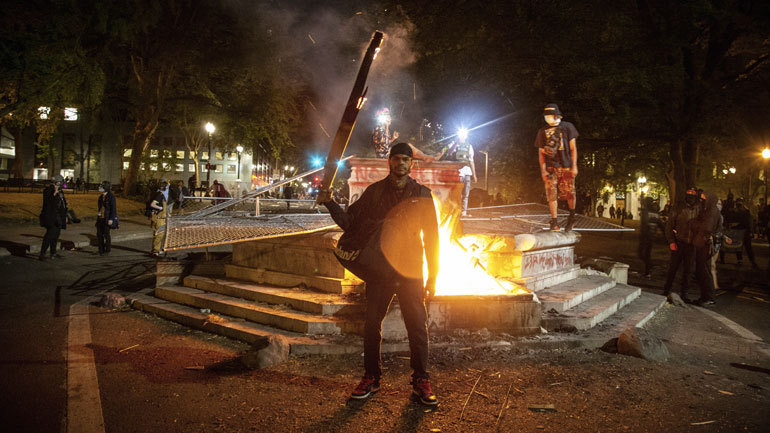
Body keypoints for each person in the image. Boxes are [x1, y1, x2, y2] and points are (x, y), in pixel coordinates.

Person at [317, 142, 440, 406]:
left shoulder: (422, 194)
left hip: (410, 271)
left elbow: (432, 238)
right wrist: (330, 204)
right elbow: (351, 224)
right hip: (380, 270)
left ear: (411, 164)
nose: (401, 164)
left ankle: (421, 380)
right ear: (390, 162)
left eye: (405, 160)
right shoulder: (373, 193)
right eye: (396, 159)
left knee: (417, 327)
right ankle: (371, 377)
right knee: (372, 325)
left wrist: (434, 275)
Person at [534, 103, 579, 231]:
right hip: (550, 168)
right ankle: (554, 221)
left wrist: (574, 166)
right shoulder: (542, 132)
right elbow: (541, 153)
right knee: (551, 194)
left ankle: (572, 216)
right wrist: (543, 170)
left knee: (569, 193)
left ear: (556, 115)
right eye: (546, 116)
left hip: (566, 166)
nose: (547, 118)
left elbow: (573, 148)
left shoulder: (568, 127)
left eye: (549, 115)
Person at [662, 188, 700, 303]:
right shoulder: (678, 208)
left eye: (693, 195)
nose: (690, 197)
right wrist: (671, 241)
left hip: (691, 244)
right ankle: (666, 289)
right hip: (679, 242)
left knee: (688, 270)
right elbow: (669, 226)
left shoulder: (699, 209)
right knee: (673, 268)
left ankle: (685, 293)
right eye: (688, 194)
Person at [690, 190, 721, 307]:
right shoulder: (708, 210)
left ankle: (709, 297)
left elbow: (707, 227)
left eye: (704, 198)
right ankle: (705, 296)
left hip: (706, 244)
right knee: (701, 271)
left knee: (705, 271)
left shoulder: (712, 211)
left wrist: (693, 223)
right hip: (703, 243)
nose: (702, 200)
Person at [437, 128, 477, 216]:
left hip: (467, 172)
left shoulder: (469, 146)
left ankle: (464, 212)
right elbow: (449, 152)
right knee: (456, 193)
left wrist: (474, 175)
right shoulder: (454, 144)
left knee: (465, 193)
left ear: (466, 136)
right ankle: (455, 211)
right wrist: (455, 143)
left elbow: (471, 161)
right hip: (457, 172)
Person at [38, 175, 68, 260]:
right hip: (51, 217)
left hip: (58, 217)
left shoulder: (60, 191)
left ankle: (53, 253)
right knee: (49, 235)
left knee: (55, 236)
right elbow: (48, 204)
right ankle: (42, 254)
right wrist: (54, 193)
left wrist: (65, 216)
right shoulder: (48, 190)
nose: (62, 184)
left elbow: (63, 204)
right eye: (61, 182)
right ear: (57, 182)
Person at [638, 197, 659, 278]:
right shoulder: (655, 213)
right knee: (647, 254)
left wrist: (643, 233)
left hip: (645, 236)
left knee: (641, 254)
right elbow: (658, 223)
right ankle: (647, 271)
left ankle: (650, 266)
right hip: (651, 235)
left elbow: (645, 224)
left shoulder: (645, 212)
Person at [149, 178, 170, 257]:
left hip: (159, 216)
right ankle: (155, 250)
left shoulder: (158, 194)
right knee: (159, 234)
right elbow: (152, 204)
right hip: (159, 217)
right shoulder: (160, 195)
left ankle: (156, 249)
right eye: (167, 186)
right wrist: (160, 208)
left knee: (158, 234)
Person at [96, 181, 117, 256]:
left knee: (106, 234)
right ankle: (101, 250)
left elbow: (113, 209)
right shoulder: (101, 197)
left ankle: (107, 250)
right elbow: (100, 208)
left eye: (102, 187)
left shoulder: (111, 197)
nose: (100, 188)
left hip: (107, 218)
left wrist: (111, 219)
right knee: (99, 234)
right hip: (100, 218)